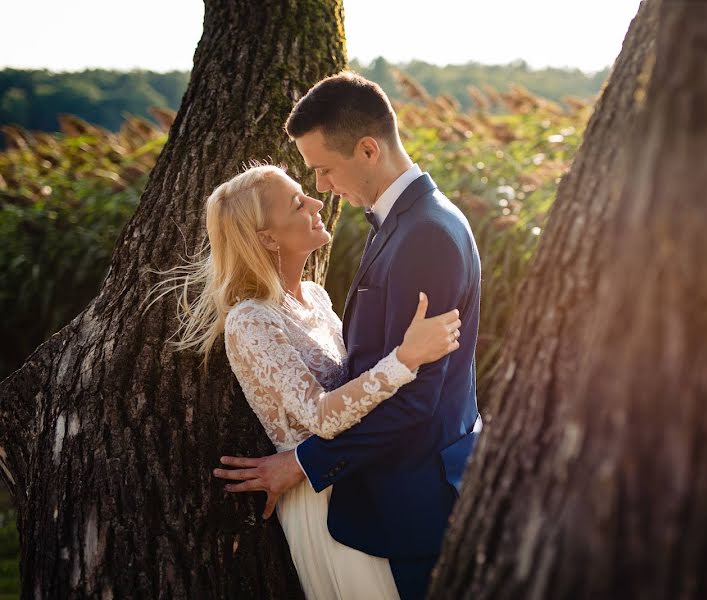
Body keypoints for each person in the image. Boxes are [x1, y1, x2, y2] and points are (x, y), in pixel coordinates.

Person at [215, 72, 482, 600]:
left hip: (411, 499)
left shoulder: (423, 233)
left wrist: (303, 463)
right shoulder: (403, 224)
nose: (319, 188)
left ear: (367, 149)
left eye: (323, 169)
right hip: (381, 500)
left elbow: (416, 403)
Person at [150, 161, 463, 600]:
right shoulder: (250, 320)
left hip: (365, 483)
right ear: (268, 239)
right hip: (325, 502)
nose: (317, 201)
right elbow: (321, 415)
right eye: (298, 202)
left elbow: (351, 382)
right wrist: (406, 358)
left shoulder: (315, 296)